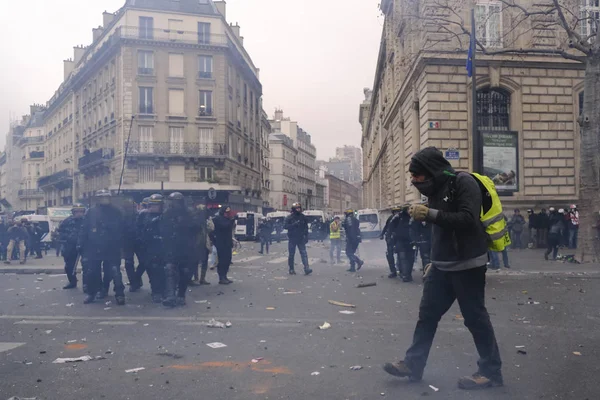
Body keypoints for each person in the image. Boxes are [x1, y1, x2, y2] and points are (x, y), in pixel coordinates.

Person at [384, 147, 502, 390]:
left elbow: (467, 220)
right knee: (427, 315)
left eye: (418, 176)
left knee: (475, 318)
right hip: (442, 265)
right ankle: (413, 364)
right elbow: (440, 231)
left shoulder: (463, 182)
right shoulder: (436, 188)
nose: (415, 181)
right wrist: (433, 261)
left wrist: (430, 213)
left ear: (432, 171)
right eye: (412, 177)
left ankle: (490, 372)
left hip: (468, 263)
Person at [78, 189, 125, 305]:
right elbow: (84, 228)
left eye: (106, 197)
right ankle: (92, 293)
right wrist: (80, 243)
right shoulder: (91, 212)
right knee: (92, 271)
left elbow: (123, 229)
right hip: (94, 246)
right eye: (102, 197)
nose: (104, 200)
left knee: (114, 271)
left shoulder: (116, 211)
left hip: (111, 246)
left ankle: (119, 293)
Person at [161, 192, 198, 306]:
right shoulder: (167, 213)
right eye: (172, 202)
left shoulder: (189, 213)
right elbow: (162, 227)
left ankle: (181, 294)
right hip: (171, 245)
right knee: (169, 269)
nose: (174, 204)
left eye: (176, 202)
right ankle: (171, 295)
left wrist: (183, 225)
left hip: (186, 246)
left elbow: (196, 228)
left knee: (184, 272)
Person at [139, 194, 166, 303]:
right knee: (153, 270)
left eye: (156, 205)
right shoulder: (143, 216)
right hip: (150, 247)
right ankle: (156, 292)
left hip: (163, 246)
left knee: (164, 270)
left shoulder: (166, 216)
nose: (153, 207)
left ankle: (165, 291)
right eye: (152, 205)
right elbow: (139, 229)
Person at [58, 204, 86, 289]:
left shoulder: (87, 221)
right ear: (73, 212)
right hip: (70, 247)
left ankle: (86, 284)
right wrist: (67, 239)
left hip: (84, 246)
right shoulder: (67, 221)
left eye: (81, 211)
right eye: (76, 211)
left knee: (88, 266)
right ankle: (72, 281)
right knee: (69, 266)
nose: (79, 213)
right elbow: (60, 232)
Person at [284, 203, 312, 276]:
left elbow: (306, 228)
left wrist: (306, 236)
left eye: (299, 208)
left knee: (304, 254)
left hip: (301, 238)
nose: (298, 209)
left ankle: (306, 268)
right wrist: (293, 225)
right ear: (293, 209)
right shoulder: (289, 217)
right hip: (292, 238)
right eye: (296, 208)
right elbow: (285, 226)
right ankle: (291, 269)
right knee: (291, 254)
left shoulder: (303, 217)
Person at [131, 197, 151, 292]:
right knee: (145, 263)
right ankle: (135, 281)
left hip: (141, 242)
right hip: (142, 243)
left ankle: (136, 281)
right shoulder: (143, 214)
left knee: (145, 263)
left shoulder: (140, 213)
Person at [212, 205, 236, 284]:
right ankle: (221, 277)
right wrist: (232, 220)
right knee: (222, 261)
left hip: (227, 242)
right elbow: (225, 226)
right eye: (226, 212)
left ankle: (225, 276)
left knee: (227, 260)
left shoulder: (227, 219)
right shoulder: (218, 219)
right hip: (221, 243)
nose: (228, 214)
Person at [390, 205, 414, 282]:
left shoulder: (412, 217)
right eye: (409, 209)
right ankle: (405, 275)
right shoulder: (398, 217)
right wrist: (393, 236)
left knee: (410, 258)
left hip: (410, 241)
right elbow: (390, 226)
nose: (410, 210)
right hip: (400, 241)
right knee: (403, 258)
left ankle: (408, 274)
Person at [190, 203, 211, 286]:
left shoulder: (205, 221)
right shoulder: (194, 220)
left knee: (204, 261)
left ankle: (202, 278)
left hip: (204, 243)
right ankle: (196, 278)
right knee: (195, 262)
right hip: (196, 244)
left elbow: (211, 228)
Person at [381, 206, 401, 278]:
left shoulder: (402, 218)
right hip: (390, 240)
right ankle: (393, 271)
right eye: (395, 212)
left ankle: (401, 269)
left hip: (399, 239)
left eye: (398, 211)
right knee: (389, 255)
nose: (396, 213)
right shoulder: (391, 218)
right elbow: (386, 227)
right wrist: (382, 234)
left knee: (401, 254)